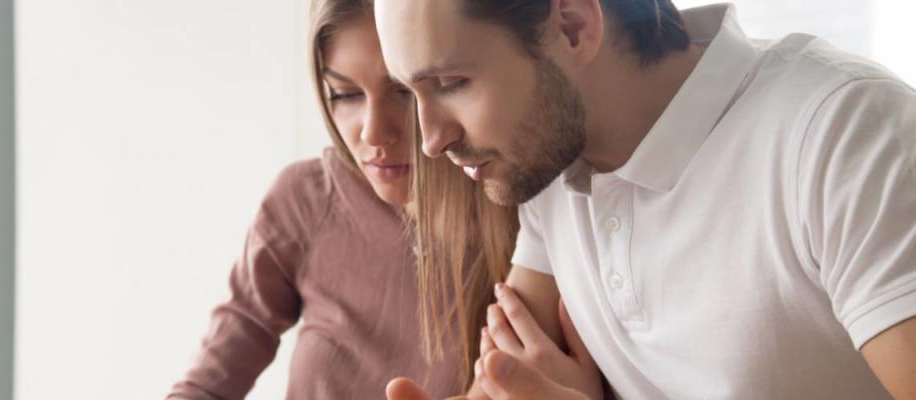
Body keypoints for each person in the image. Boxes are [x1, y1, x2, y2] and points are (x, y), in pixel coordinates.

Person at [375, 0, 916, 398]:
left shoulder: (845, 133)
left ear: (573, 25)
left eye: (450, 82)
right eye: (410, 92)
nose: (429, 139)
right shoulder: (549, 165)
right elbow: (504, 386)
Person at [167, 0, 514, 398]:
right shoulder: (305, 200)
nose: (373, 133)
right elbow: (208, 381)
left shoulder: (525, 213)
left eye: (401, 92)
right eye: (345, 94)